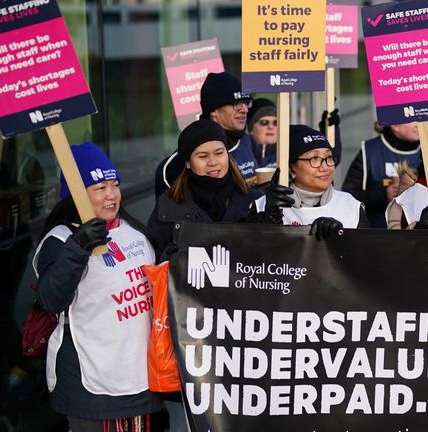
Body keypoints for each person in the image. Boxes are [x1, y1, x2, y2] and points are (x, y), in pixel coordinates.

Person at [33, 142, 160, 431]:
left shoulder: (133, 229)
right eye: (99, 188)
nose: (112, 195)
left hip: (140, 375)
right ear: (76, 194)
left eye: (114, 185)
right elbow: (51, 299)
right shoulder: (60, 240)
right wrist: (79, 248)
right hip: (91, 381)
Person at [147, 118, 290, 259]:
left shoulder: (255, 201)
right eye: (202, 156)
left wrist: (271, 221)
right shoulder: (168, 206)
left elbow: (274, 258)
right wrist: (169, 260)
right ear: (188, 163)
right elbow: (154, 259)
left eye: (219, 153)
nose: (213, 162)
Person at [255, 125, 368, 238]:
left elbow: (367, 252)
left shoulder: (350, 206)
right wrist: (268, 221)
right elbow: (249, 250)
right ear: (292, 169)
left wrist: (341, 238)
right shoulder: (265, 205)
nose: (325, 167)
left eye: (329, 157)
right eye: (314, 159)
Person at [154, 72, 254, 198]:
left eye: (246, 102)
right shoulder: (175, 166)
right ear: (213, 111)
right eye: (237, 103)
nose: (245, 109)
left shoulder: (247, 141)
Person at [342, 122, 421, 228]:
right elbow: (348, 199)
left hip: (419, 236)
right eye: (412, 119)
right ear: (395, 125)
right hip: (376, 236)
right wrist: (384, 194)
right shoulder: (370, 150)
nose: (419, 124)